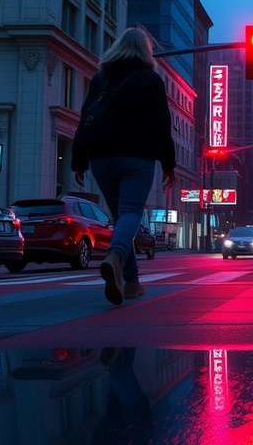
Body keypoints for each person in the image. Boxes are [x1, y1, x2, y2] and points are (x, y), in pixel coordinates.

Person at [72, 27, 175, 305]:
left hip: (101, 157)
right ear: (146, 51)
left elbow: (85, 117)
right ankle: (116, 257)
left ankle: (131, 282)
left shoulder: (101, 78)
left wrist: (78, 159)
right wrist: (169, 163)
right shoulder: (151, 79)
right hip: (138, 156)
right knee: (130, 213)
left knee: (121, 219)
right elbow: (162, 124)